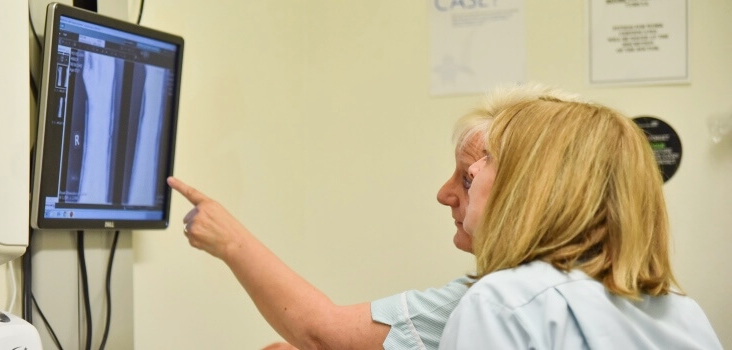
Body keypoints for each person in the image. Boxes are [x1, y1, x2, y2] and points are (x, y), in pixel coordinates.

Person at [168, 84, 578, 350]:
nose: (444, 194)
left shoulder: (493, 300)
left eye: (468, 179)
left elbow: (320, 333)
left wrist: (230, 241)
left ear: (528, 194)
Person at [437, 96, 722, 349]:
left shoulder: (501, 303)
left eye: (487, 161)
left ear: (533, 188)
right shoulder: (684, 312)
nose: (474, 171)